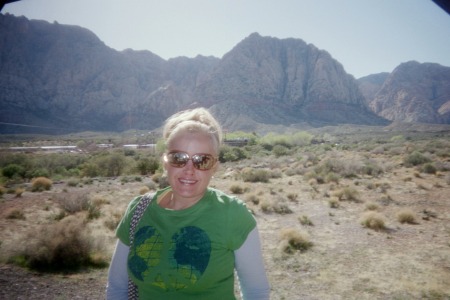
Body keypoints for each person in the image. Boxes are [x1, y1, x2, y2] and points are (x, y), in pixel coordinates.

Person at [106, 107, 270, 299]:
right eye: (179, 158)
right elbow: (117, 288)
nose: (189, 169)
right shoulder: (138, 210)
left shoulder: (233, 214)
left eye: (202, 160)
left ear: (214, 167)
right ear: (165, 161)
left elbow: (256, 292)